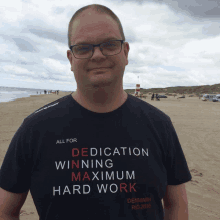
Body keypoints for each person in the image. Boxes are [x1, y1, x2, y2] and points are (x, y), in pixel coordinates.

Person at [0, 4, 191, 220]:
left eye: (109, 44)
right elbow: (5, 211)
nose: (98, 55)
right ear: (71, 59)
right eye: (83, 48)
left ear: (125, 52)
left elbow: (176, 206)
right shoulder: (35, 129)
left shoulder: (159, 124)